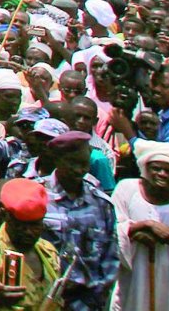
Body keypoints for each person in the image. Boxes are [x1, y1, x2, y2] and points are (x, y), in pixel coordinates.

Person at [39, 130, 120, 311]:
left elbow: (111, 256)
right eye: (72, 163)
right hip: (44, 299)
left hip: (87, 301)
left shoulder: (100, 203)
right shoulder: (38, 196)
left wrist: (97, 295)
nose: (79, 170)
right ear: (57, 160)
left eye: (84, 164)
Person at [0, 179, 62, 311]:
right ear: (8, 218)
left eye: (35, 225)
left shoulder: (48, 252)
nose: (29, 232)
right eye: (21, 226)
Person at [112, 140, 169, 311]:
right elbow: (110, 230)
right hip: (134, 274)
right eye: (156, 168)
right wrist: (144, 226)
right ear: (145, 168)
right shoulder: (127, 189)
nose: (162, 174)